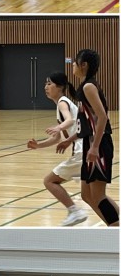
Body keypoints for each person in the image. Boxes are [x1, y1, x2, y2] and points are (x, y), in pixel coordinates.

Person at [57, 49, 118, 226]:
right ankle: (115, 225)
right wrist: (69, 140)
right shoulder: (84, 87)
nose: (72, 65)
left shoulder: (88, 87)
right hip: (89, 143)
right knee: (87, 195)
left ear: (84, 65)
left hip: (99, 144)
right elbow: (86, 124)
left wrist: (95, 147)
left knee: (98, 196)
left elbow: (102, 117)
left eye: (75, 62)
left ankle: (116, 228)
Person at [27, 72, 89, 226]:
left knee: (49, 181)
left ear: (60, 87)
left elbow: (70, 120)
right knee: (92, 196)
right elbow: (56, 138)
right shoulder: (62, 104)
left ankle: (75, 211)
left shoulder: (62, 102)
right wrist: (39, 145)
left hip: (81, 151)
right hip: (86, 150)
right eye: (45, 83)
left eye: (49, 84)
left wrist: (59, 127)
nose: (45, 87)